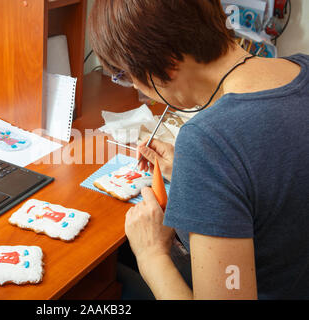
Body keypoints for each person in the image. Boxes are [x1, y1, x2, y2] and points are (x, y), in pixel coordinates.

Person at [89, 0, 308, 300]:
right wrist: (201, 177)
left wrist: (152, 255)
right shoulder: (302, 68)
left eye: (128, 76)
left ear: (167, 62)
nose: (143, 93)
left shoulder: (209, 142)